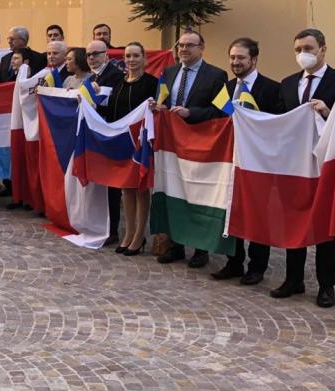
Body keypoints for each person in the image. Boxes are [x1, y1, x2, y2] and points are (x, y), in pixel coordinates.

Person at [272, 28, 335, 307]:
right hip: (294, 166)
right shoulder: (287, 83)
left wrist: (327, 110)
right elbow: (278, 121)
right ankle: (293, 279)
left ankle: (326, 286)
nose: (303, 55)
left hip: (325, 166)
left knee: (324, 225)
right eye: (298, 50)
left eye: (308, 49)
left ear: (323, 49)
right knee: (294, 221)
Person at [210, 37, 283, 284]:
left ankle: (257, 266)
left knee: (258, 213)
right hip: (230, 161)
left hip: (258, 164)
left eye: (240, 58)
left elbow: (277, 125)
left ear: (253, 59)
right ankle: (234, 261)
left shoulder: (272, 88)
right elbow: (215, 119)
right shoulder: (227, 88)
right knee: (232, 208)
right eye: (232, 57)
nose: (235, 62)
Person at [153, 29, 228, 269]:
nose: (183, 50)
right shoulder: (169, 72)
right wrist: (158, 108)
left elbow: (220, 112)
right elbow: (163, 100)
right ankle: (175, 245)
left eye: (189, 45)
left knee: (197, 195)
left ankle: (200, 249)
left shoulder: (216, 75)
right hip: (173, 147)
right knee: (174, 191)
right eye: (180, 46)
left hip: (201, 147)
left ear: (201, 48)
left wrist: (190, 113)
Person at [100, 43, 159, 256]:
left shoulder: (151, 83)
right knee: (126, 189)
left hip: (141, 144)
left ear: (144, 59)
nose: (131, 60)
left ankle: (139, 235)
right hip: (122, 143)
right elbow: (112, 110)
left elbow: (158, 109)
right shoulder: (119, 83)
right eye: (128, 56)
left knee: (141, 188)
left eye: (136, 56)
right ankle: (129, 232)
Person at [84, 41, 125, 244]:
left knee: (112, 188)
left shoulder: (116, 75)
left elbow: (117, 105)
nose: (91, 58)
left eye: (95, 54)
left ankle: (113, 230)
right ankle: (101, 225)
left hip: (113, 135)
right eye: (88, 55)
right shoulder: (91, 77)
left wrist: (98, 97)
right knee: (100, 184)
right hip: (96, 137)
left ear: (106, 55)